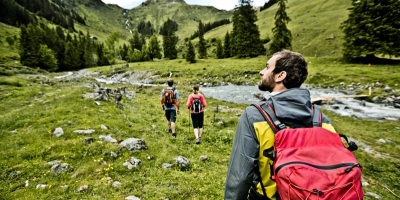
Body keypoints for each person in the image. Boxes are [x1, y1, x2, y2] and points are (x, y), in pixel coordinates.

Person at [224, 50, 337, 200]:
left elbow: (240, 177)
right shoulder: (323, 120)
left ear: (280, 76)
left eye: (267, 67)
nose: (261, 72)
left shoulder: (254, 116)